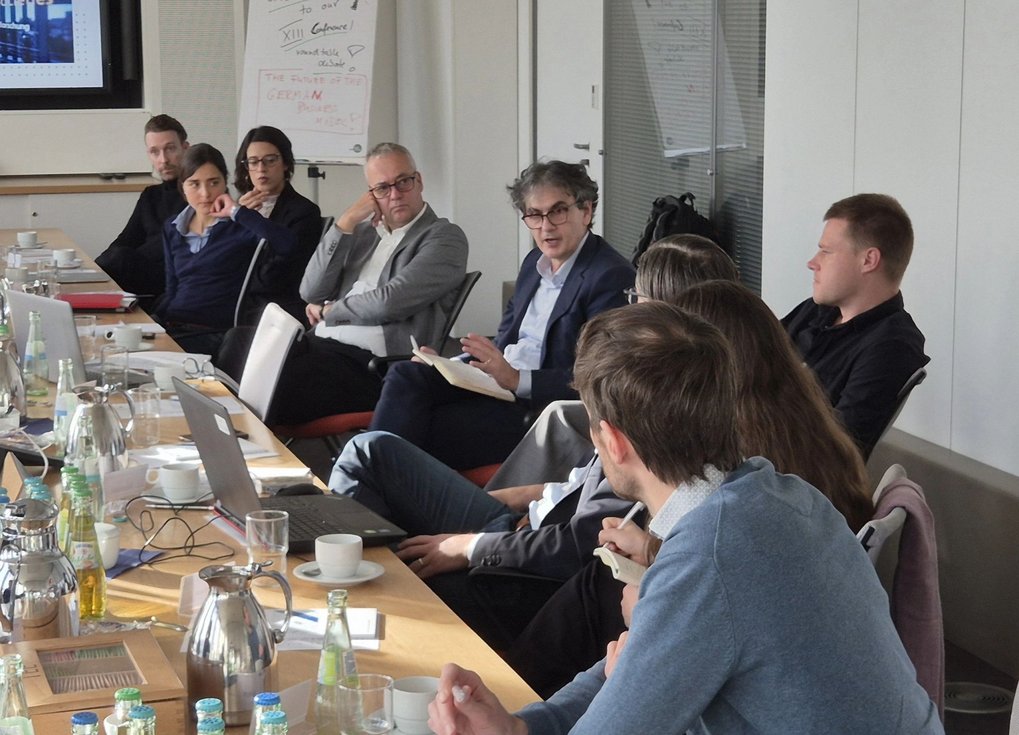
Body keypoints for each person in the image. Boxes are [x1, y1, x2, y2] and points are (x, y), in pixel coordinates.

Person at [428, 302, 942, 735]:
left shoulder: (712, 555)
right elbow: (638, 666)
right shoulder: (784, 496)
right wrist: (525, 727)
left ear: (614, 442)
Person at [326, 237, 739, 651]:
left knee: (409, 573)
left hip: (526, 566)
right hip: (524, 520)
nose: (628, 305)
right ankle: (345, 588)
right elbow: (588, 489)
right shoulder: (659, 396)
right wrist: (523, 495)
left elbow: (581, 542)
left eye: (637, 297)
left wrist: (471, 547)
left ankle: (348, 611)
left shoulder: (661, 415)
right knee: (372, 447)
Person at [504, 279, 875, 698]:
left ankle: (514, 684)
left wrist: (653, 602)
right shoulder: (781, 474)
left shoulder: (741, 491)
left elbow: (721, 580)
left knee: (593, 589)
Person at [367, 160, 635, 470]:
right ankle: (366, 488)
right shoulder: (535, 261)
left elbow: (602, 377)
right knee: (406, 374)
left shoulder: (609, 276)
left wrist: (517, 379)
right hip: (494, 385)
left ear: (586, 211)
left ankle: (359, 492)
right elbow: (505, 344)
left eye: (558, 211)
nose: (546, 226)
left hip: (535, 408)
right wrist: (447, 364)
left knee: (417, 430)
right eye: (534, 215)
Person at [264, 142, 468, 425]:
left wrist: (329, 312)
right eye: (382, 188)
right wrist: (346, 222)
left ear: (418, 181)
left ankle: (250, 456)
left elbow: (389, 302)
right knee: (239, 344)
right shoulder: (363, 234)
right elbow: (310, 291)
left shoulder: (444, 237)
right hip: (323, 347)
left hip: (374, 367)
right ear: (371, 195)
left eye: (403, 182)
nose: (395, 195)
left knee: (275, 378)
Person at [782, 193, 930, 457]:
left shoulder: (892, 345)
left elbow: (834, 448)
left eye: (826, 251)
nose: (812, 262)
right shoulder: (814, 311)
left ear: (868, 260)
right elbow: (751, 361)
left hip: (794, 483)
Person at [156, 143, 315, 357]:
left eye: (214, 182)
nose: (205, 193)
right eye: (194, 184)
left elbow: (288, 245)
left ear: (225, 182)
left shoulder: (240, 226)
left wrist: (238, 212)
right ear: (182, 187)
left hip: (213, 332)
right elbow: (172, 287)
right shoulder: (172, 226)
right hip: (172, 327)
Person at [231, 125, 321, 324]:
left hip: (275, 309)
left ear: (286, 163)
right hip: (234, 302)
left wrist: (250, 221)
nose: (261, 169)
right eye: (253, 162)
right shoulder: (239, 208)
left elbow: (275, 278)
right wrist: (236, 219)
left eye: (270, 160)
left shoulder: (304, 212)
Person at [95, 114, 188, 307]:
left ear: (185, 149)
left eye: (170, 149)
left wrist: (122, 258)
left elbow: (167, 246)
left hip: (171, 280)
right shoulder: (150, 195)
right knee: (115, 257)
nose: (163, 159)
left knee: (120, 258)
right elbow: (125, 239)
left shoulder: (199, 195)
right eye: (155, 152)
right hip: (138, 274)